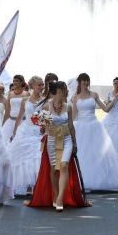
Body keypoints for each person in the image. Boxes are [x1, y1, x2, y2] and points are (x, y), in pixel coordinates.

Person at [27, 81, 89, 210]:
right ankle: (55, 195)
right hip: (52, 139)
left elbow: (71, 126)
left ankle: (60, 198)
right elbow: (43, 129)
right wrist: (41, 126)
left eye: (65, 89)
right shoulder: (46, 107)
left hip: (66, 139)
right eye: (63, 90)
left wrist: (74, 143)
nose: (66, 92)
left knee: (64, 165)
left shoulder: (69, 107)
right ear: (57, 91)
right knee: (54, 169)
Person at [72, 73, 118, 191]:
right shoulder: (75, 97)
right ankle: (81, 181)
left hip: (94, 126)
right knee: (82, 154)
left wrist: (115, 99)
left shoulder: (94, 95)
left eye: (87, 81)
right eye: (83, 81)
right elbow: (73, 116)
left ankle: (98, 181)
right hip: (81, 127)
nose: (86, 83)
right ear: (79, 83)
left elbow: (106, 109)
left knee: (96, 154)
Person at [9, 76, 45, 195]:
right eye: (39, 84)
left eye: (42, 84)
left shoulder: (45, 100)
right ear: (33, 86)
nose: (41, 87)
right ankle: (29, 186)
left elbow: (46, 118)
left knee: (37, 157)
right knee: (25, 157)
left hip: (39, 131)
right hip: (26, 130)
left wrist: (44, 128)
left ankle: (36, 186)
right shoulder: (25, 100)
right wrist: (14, 131)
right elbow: (20, 116)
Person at [2, 75, 30, 143]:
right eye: (14, 81)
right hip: (10, 122)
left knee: (18, 142)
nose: (14, 82)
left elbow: (28, 110)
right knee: (5, 141)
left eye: (17, 81)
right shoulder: (10, 94)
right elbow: (7, 111)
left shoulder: (26, 94)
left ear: (22, 82)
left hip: (22, 122)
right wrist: (3, 124)